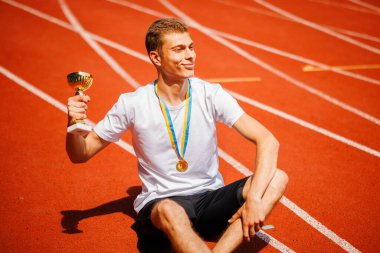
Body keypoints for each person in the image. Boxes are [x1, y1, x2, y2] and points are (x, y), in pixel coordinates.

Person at [66, 18, 288, 253]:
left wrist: (253, 198)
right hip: (163, 206)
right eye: (179, 49)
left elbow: (267, 140)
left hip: (208, 199)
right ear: (156, 58)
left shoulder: (210, 94)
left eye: (191, 47)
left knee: (277, 178)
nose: (190, 55)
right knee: (170, 209)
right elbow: (80, 154)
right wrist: (73, 123)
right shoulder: (132, 104)